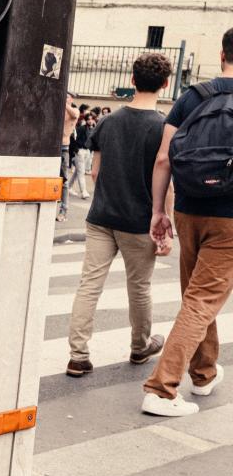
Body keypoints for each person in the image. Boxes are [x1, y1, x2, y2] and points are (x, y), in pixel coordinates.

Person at [141, 28, 233, 416]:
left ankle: (205, 373)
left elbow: (164, 158)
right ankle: (161, 389)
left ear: (221, 52)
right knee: (202, 300)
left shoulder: (193, 96)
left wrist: (158, 211)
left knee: (196, 296)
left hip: (188, 208)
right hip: (229, 218)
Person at [65, 53, 173, 378]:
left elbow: (95, 173)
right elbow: (165, 181)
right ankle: (140, 347)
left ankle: (78, 356)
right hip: (139, 222)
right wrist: (166, 223)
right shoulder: (162, 128)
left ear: (131, 80)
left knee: (89, 285)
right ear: (166, 84)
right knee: (139, 287)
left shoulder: (107, 122)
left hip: (101, 218)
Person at [58, 93, 79, 223]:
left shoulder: (74, 110)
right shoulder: (59, 109)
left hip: (64, 147)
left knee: (64, 181)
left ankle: (63, 211)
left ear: (71, 99)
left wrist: (64, 102)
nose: (64, 98)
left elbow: (75, 115)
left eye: (67, 96)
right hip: (52, 147)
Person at [70, 106, 93, 198]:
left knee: (78, 171)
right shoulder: (81, 128)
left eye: (91, 119)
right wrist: (76, 150)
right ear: (85, 120)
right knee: (81, 172)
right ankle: (83, 191)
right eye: (89, 119)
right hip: (80, 151)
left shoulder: (91, 129)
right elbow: (73, 139)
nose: (90, 121)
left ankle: (69, 186)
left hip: (87, 151)